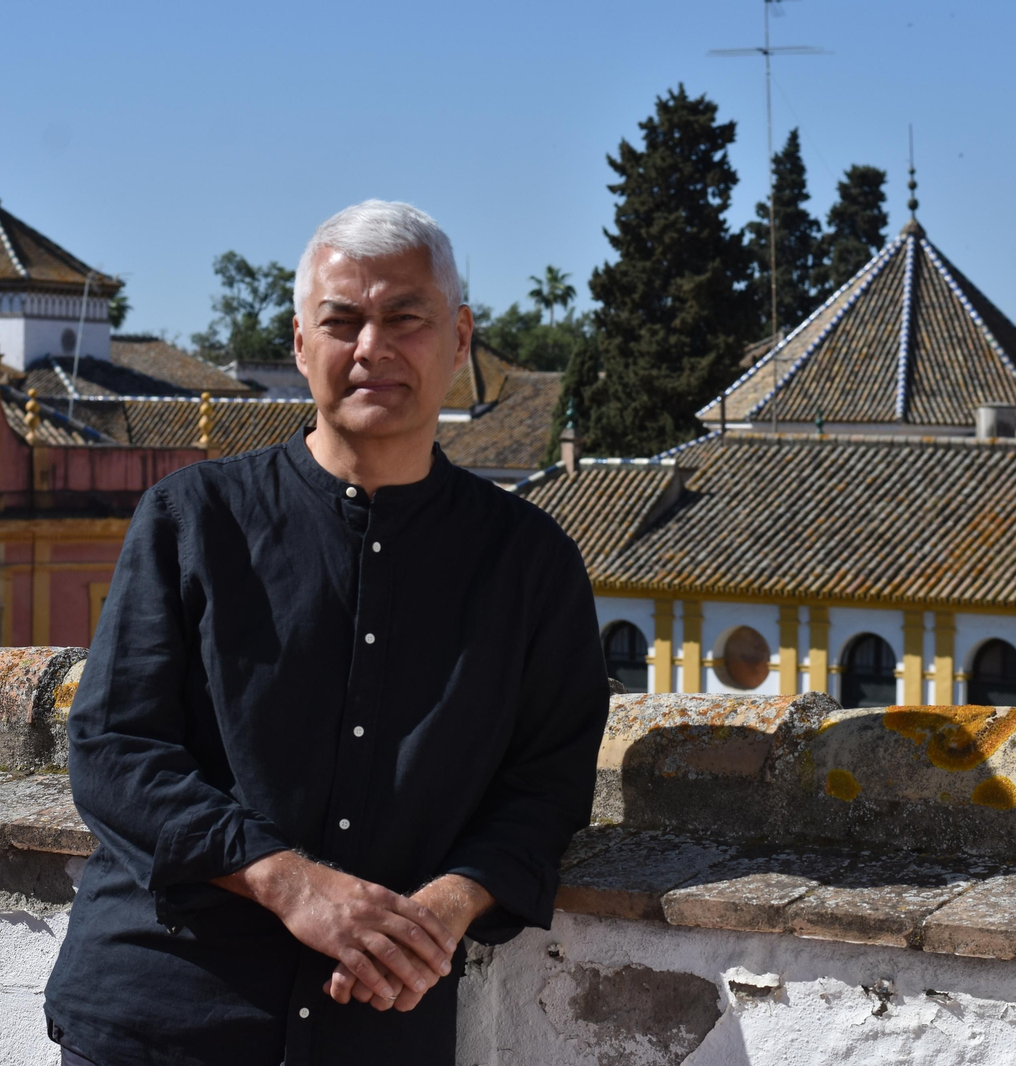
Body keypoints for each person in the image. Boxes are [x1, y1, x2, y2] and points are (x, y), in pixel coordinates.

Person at [44, 200, 610, 1065]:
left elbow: (547, 787)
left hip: (375, 1024)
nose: (372, 349)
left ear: (459, 339)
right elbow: (114, 750)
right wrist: (292, 884)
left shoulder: (531, 565)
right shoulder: (192, 519)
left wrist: (442, 914)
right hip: (163, 1012)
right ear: (302, 344)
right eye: (341, 322)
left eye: (405, 318)